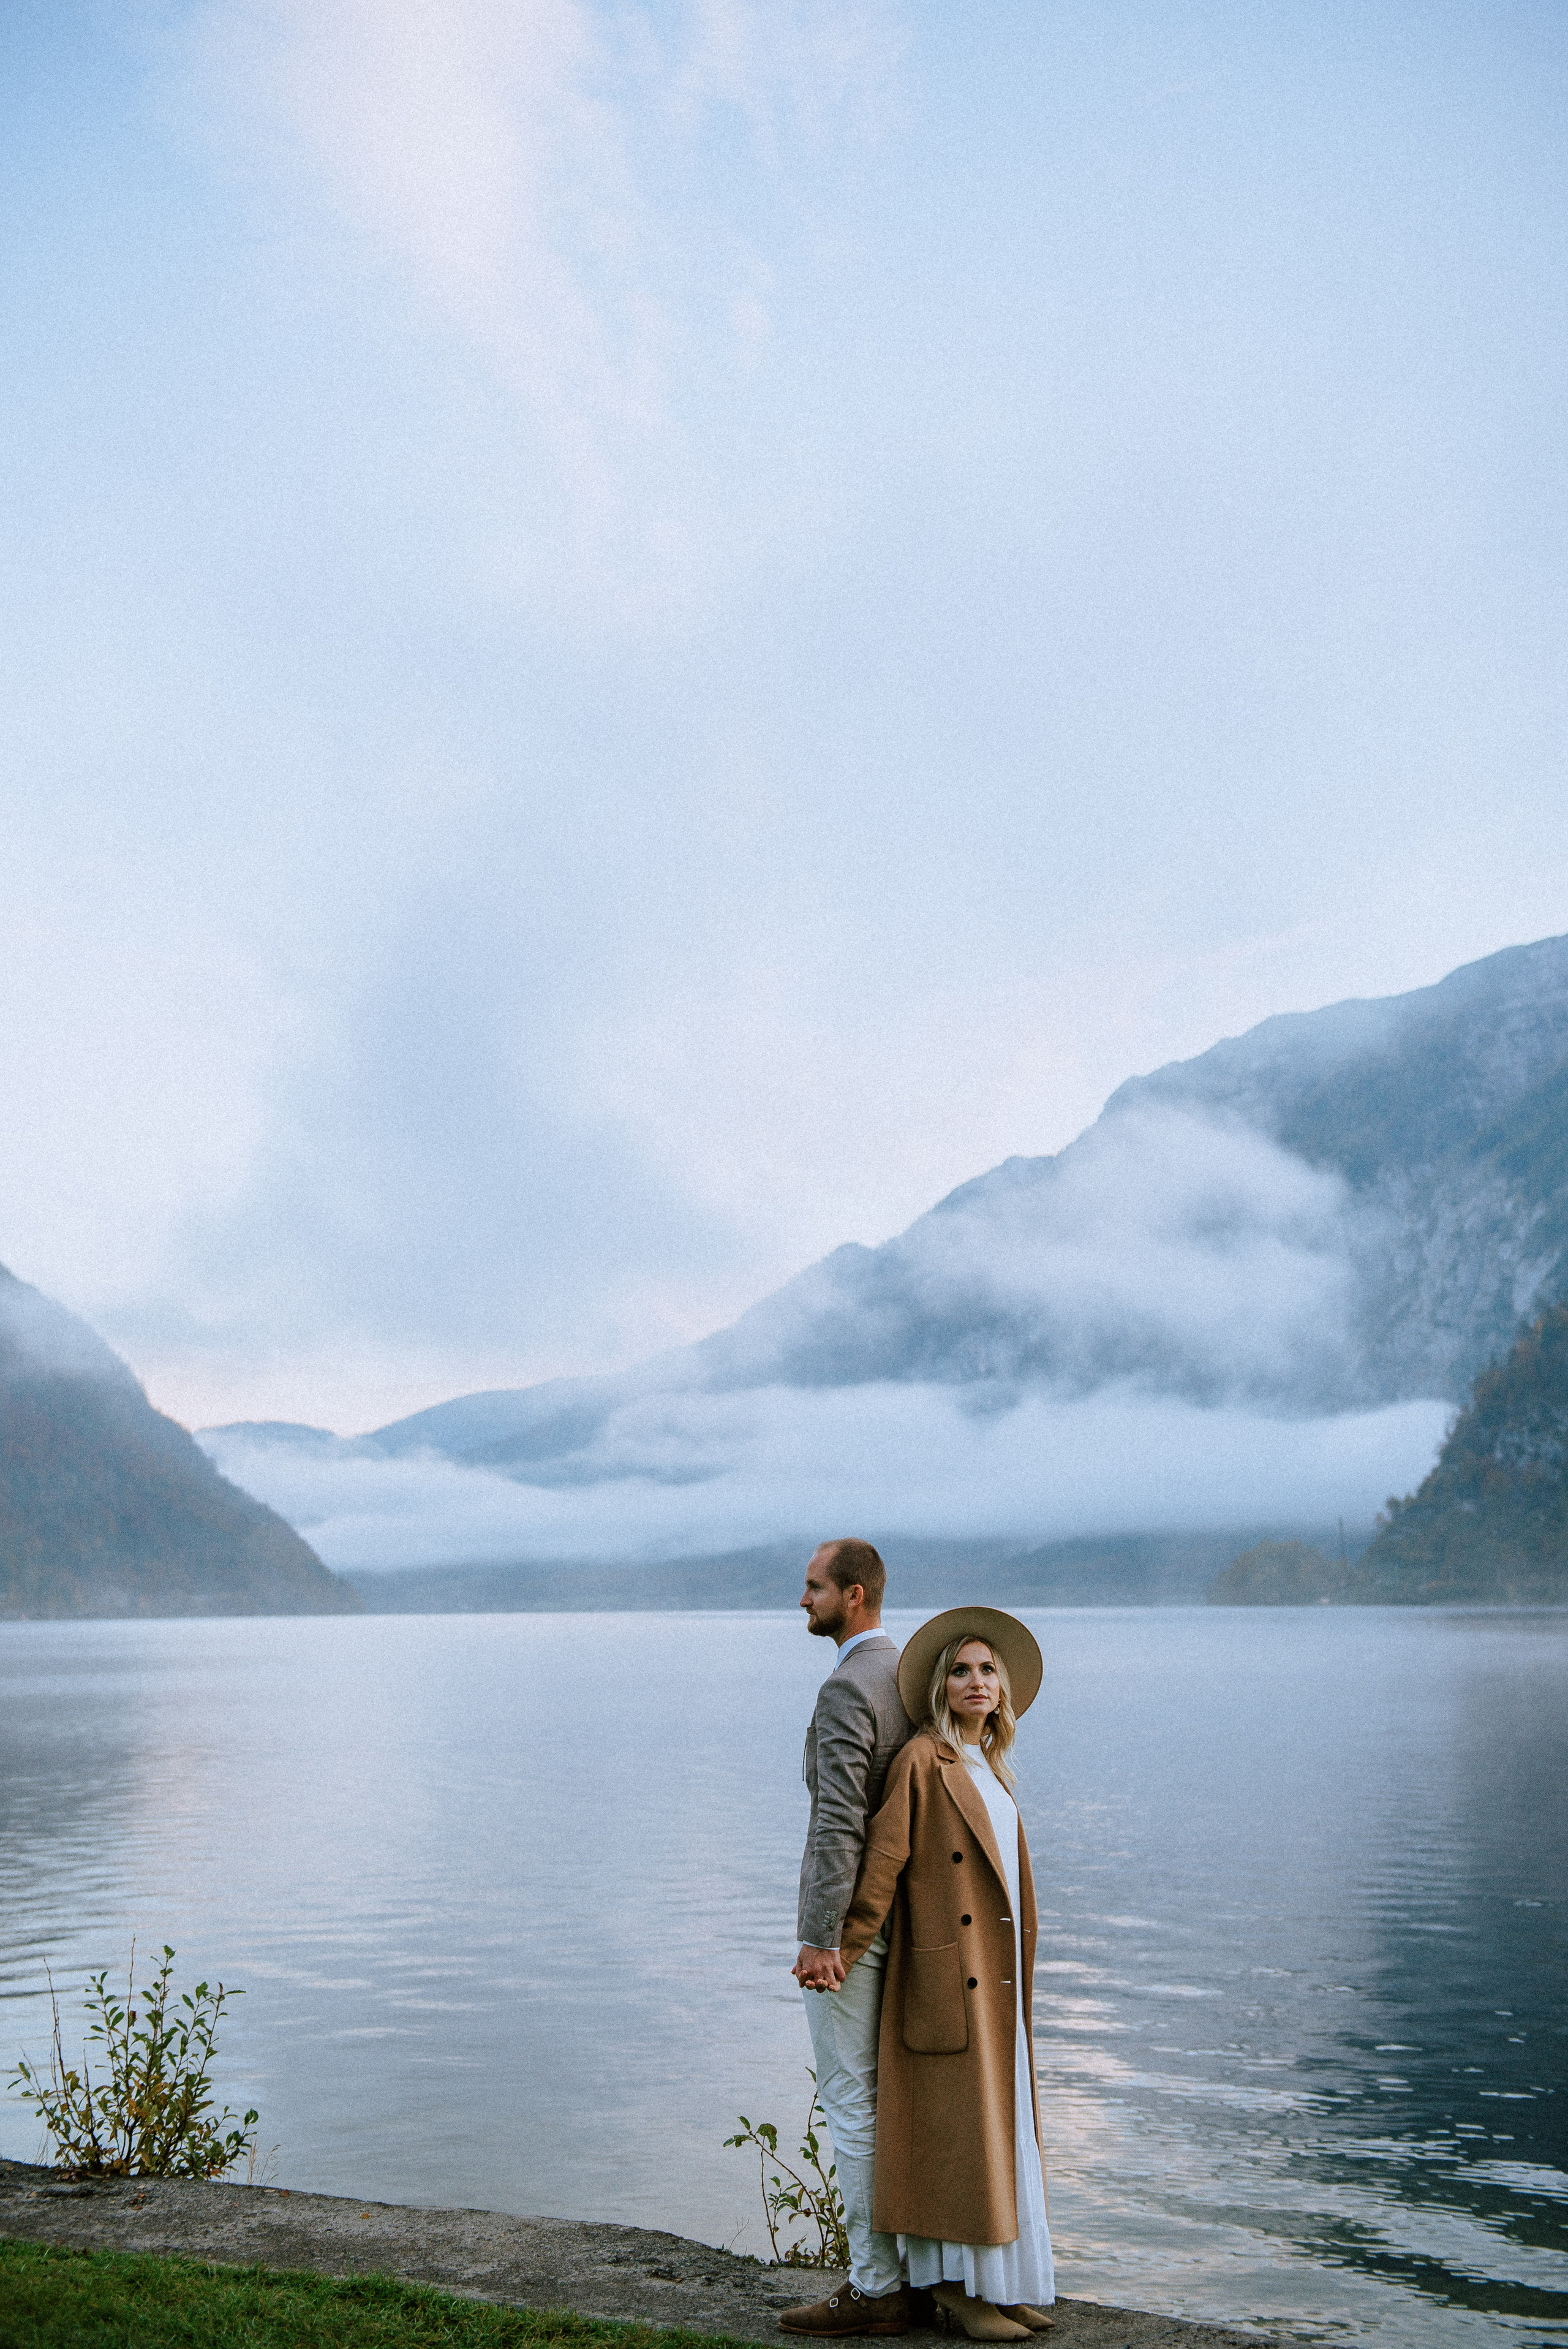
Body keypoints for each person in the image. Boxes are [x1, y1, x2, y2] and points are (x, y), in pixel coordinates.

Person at [837, 1608, 1055, 2343]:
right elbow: (884, 1860)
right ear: (940, 1685)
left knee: (999, 2133)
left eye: (987, 1670)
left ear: (1003, 1688)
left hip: (994, 1982)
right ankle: (957, 2293)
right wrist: (842, 1948)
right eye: (960, 1670)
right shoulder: (923, 1760)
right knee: (957, 2141)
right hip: (948, 1980)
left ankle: (1002, 2284)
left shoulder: (989, 1765)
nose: (975, 1681)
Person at [781, 1540, 914, 2340]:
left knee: (850, 2098)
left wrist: (819, 1936)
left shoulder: (846, 1688)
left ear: (854, 1594)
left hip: (854, 1933)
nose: (802, 1600)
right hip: (910, 1917)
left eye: (814, 1587)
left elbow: (838, 1820)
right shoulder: (908, 1675)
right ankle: (918, 2268)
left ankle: (875, 2284)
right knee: (895, 2097)